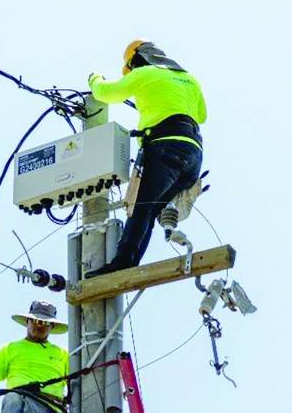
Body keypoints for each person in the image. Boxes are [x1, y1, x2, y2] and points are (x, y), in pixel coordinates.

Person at [85, 40, 208, 278]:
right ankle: (128, 263)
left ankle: (121, 265)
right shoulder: (190, 78)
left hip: (164, 148)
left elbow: (105, 93)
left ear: (136, 60)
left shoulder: (144, 73)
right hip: (193, 155)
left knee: (140, 208)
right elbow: (201, 115)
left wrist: (94, 79)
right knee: (149, 211)